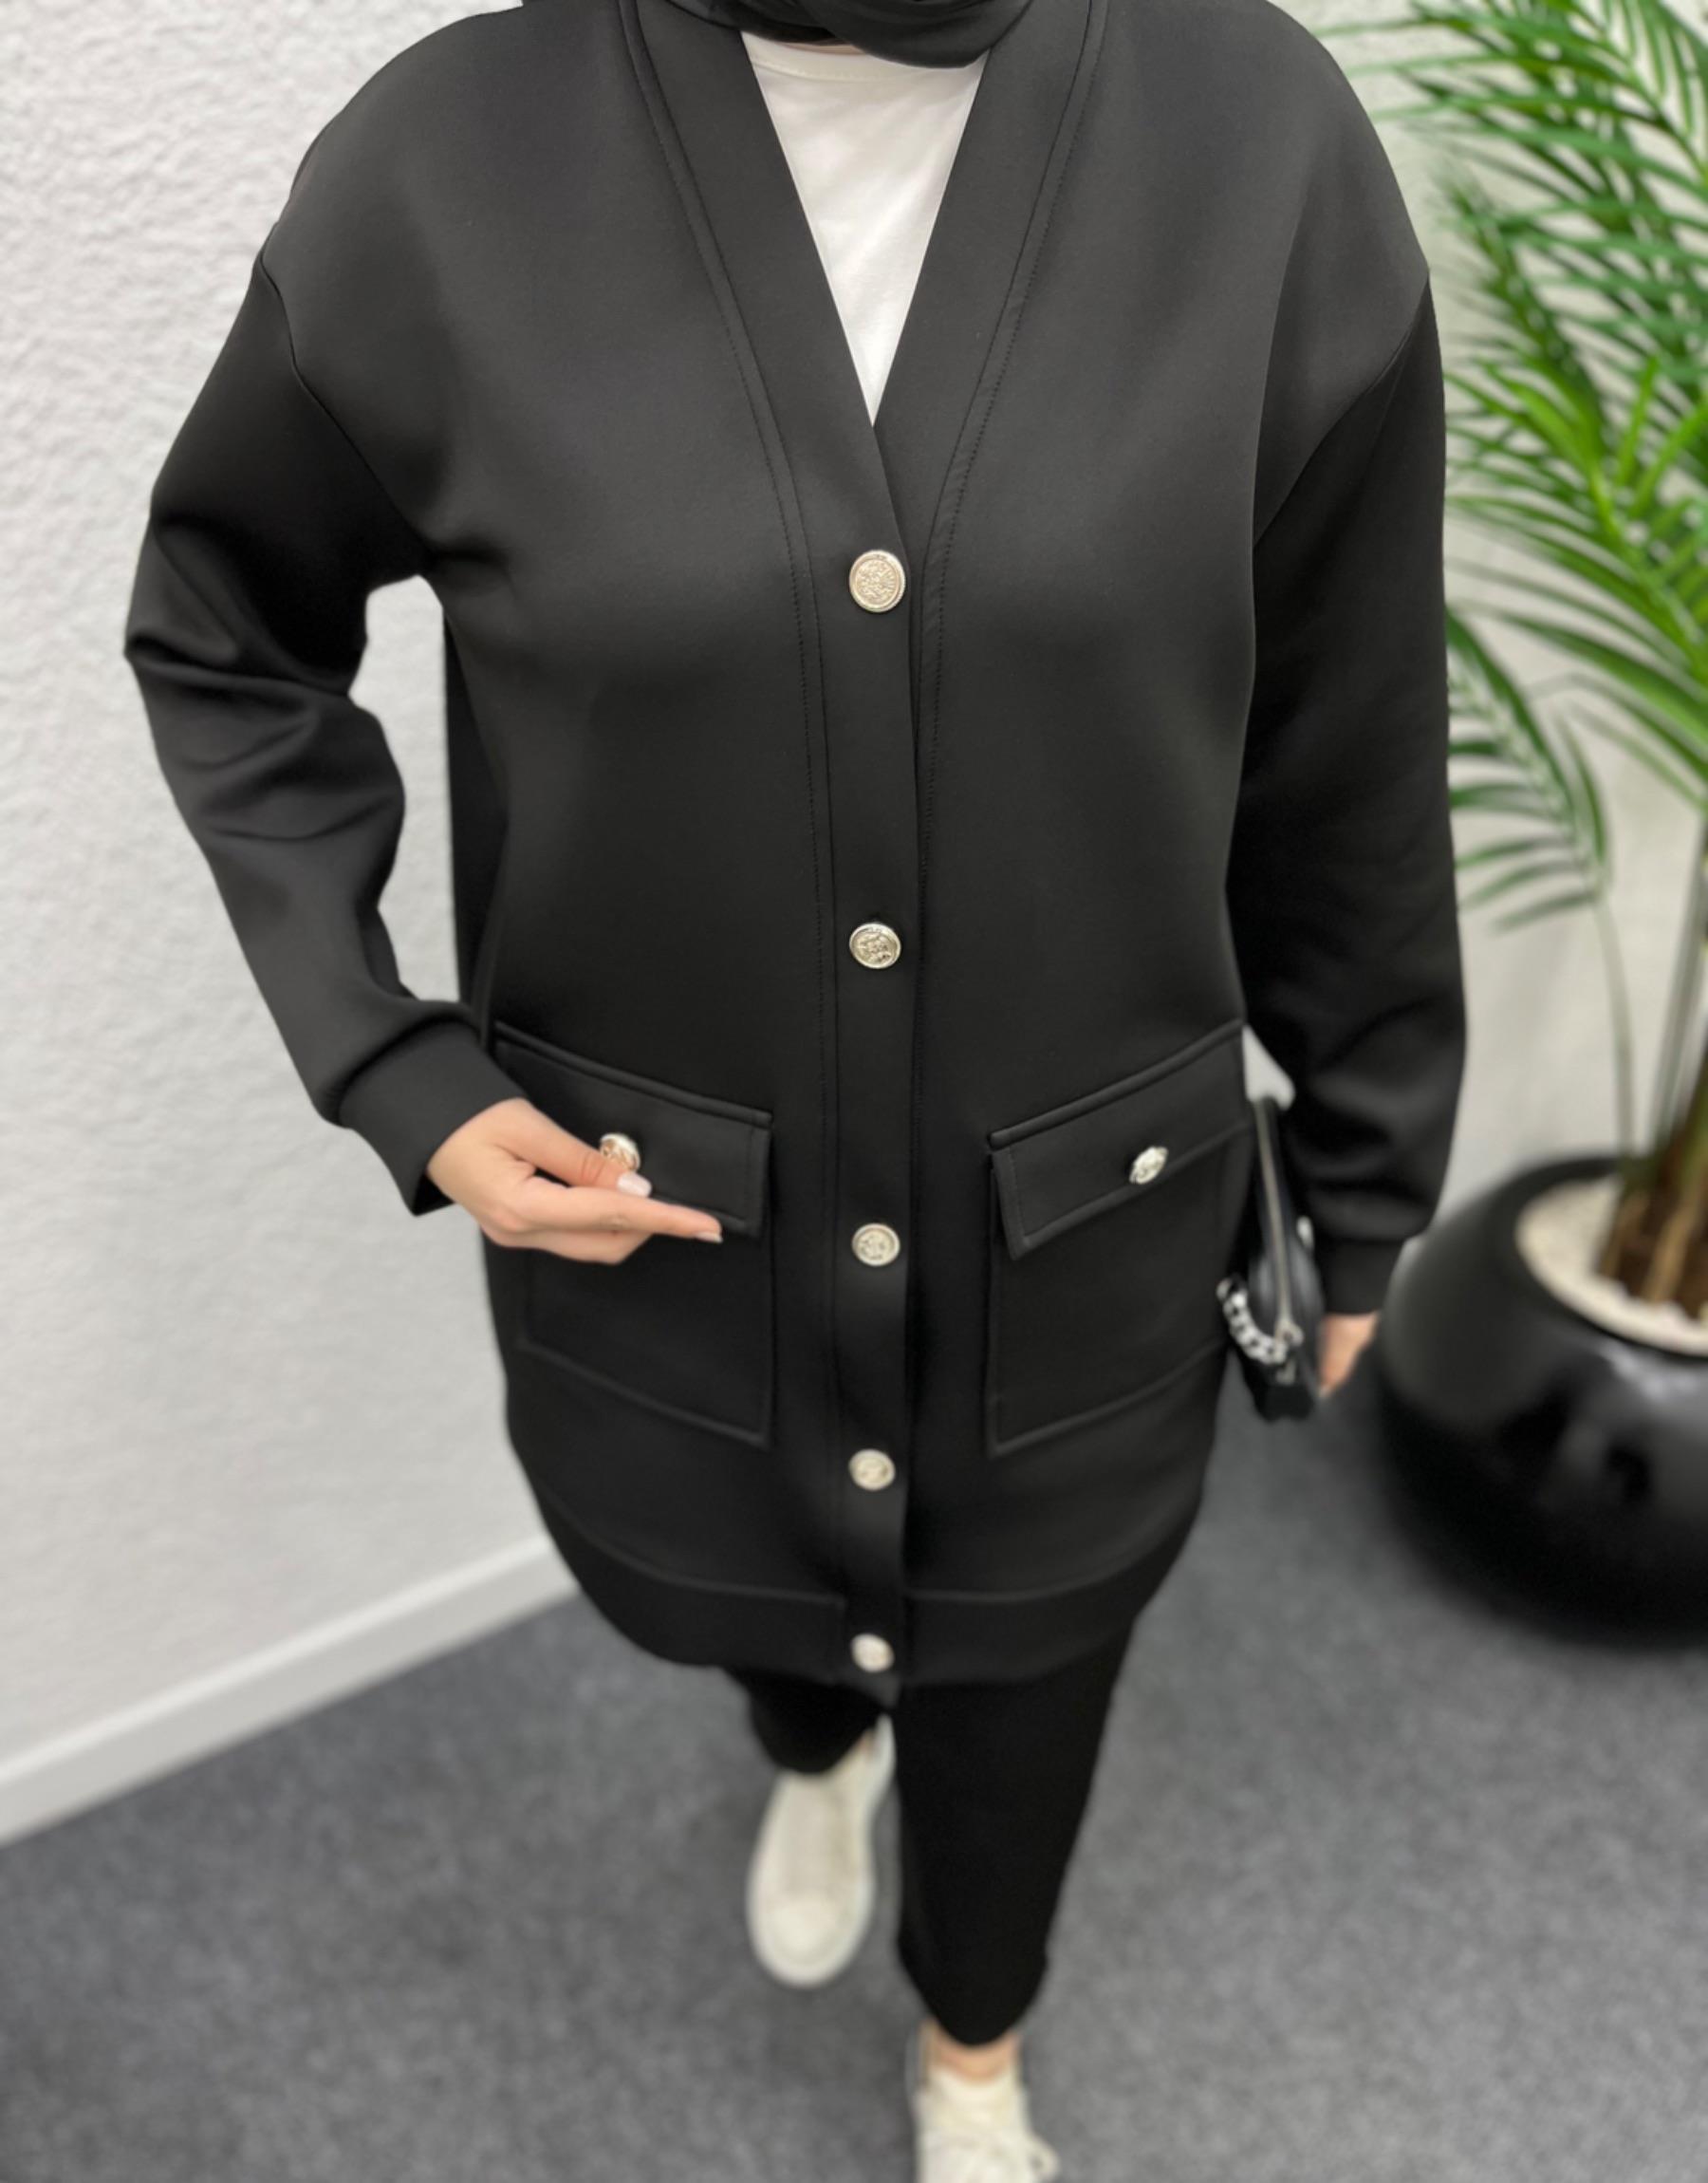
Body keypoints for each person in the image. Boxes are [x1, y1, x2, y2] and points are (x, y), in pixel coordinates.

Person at [121, 0, 1468, 2172]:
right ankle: (817, 1751)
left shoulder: (1262, 148)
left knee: (1031, 1688)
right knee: (758, 1612)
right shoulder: (444, 170)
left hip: (1081, 1229)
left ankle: (973, 2060)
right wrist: (391, 1059)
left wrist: (1374, 1173)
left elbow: (1350, 739)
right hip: (673, 1233)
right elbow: (223, 622)